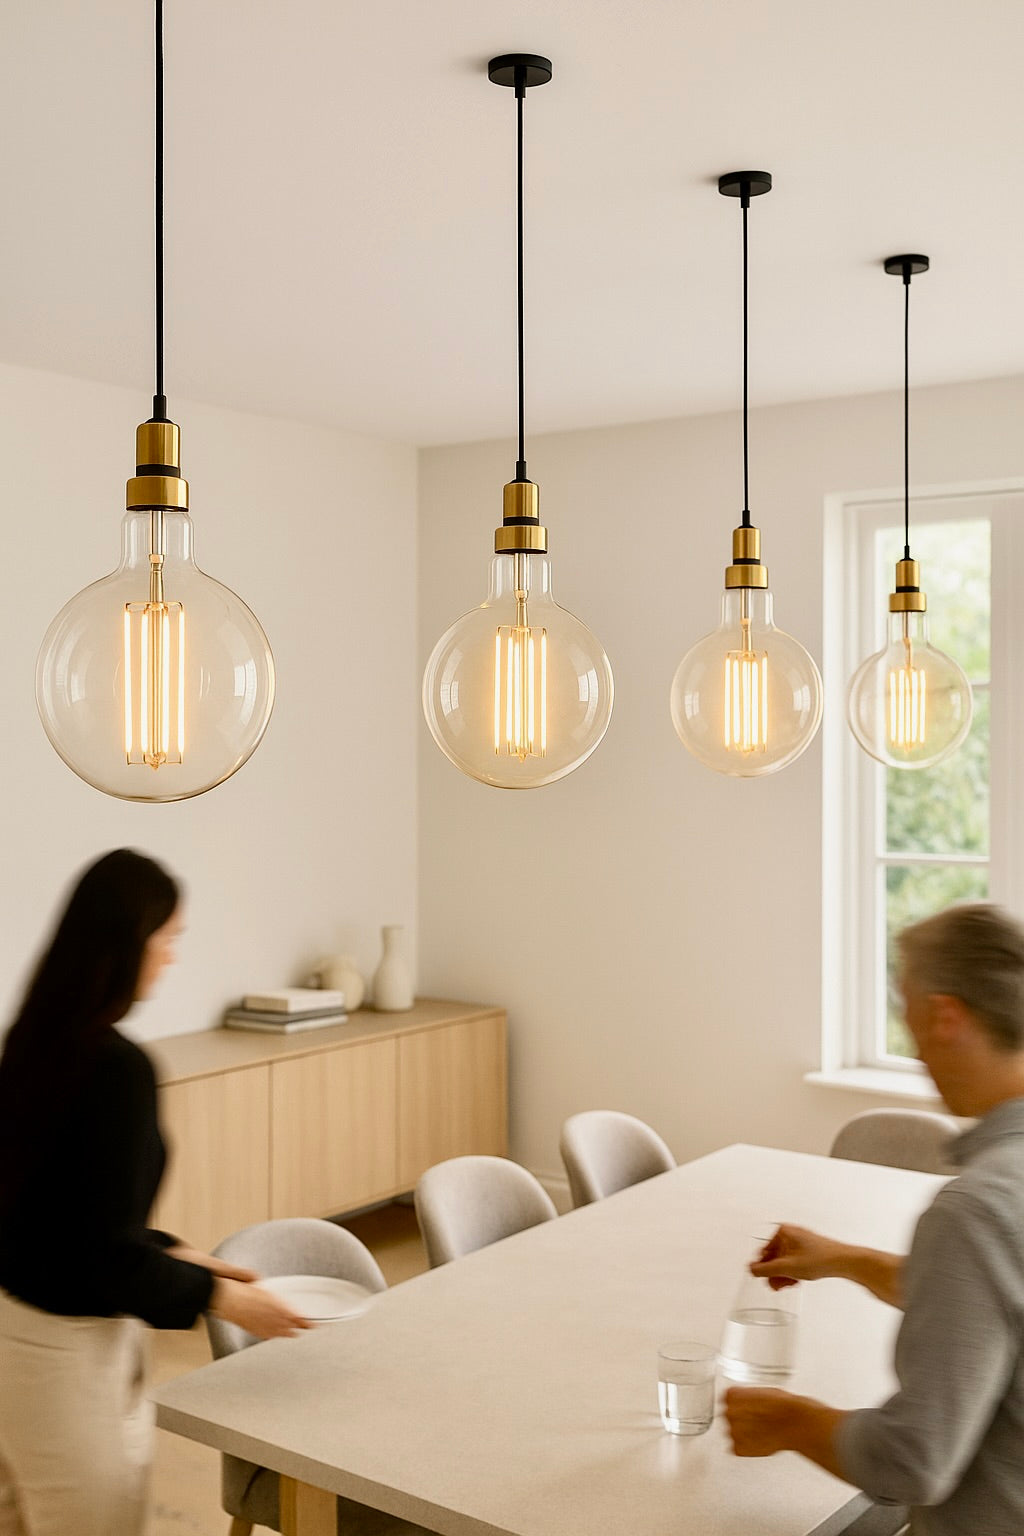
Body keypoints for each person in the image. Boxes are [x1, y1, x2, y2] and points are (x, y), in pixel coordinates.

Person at [0, 849, 310, 1536]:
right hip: (69, 1361)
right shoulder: (117, 1070)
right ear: (123, 943)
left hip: (13, 1339)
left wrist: (179, 1256)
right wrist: (225, 1298)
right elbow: (105, 1259)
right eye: (166, 937)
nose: (170, 956)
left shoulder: (29, 1045)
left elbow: (61, 1218)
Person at [724, 902, 1024, 1536]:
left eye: (904, 1008)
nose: (908, 1038)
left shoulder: (978, 1208)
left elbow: (914, 1460)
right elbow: (996, 1302)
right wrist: (842, 1258)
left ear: (946, 1016)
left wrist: (789, 1421)